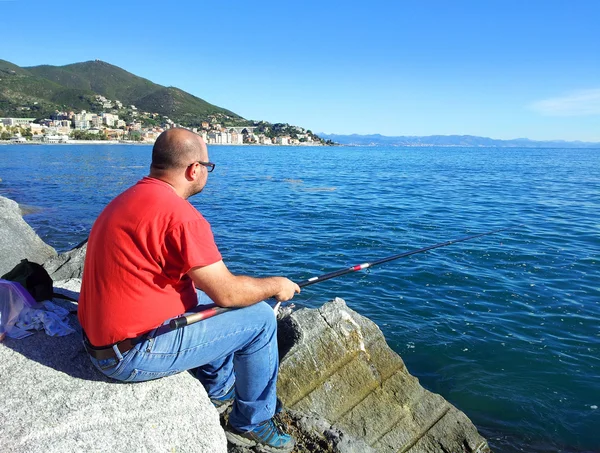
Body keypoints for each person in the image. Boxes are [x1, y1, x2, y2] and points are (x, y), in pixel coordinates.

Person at [78, 128, 300, 452]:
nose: (206, 174)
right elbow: (229, 293)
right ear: (194, 169)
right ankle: (250, 421)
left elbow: (209, 288)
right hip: (129, 353)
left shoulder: (127, 199)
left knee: (209, 298)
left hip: (100, 339)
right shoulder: (181, 217)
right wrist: (276, 285)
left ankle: (219, 389)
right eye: (208, 168)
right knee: (261, 320)